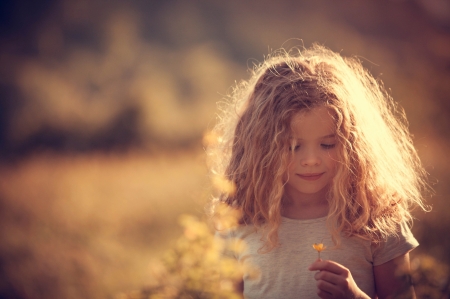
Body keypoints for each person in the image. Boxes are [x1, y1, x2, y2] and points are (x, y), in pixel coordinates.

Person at [206, 44, 429, 299]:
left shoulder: (375, 220)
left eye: (327, 144)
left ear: (352, 144)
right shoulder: (241, 219)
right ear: (261, 148)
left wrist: (355, 296)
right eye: (292, 146)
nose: (311, 160)